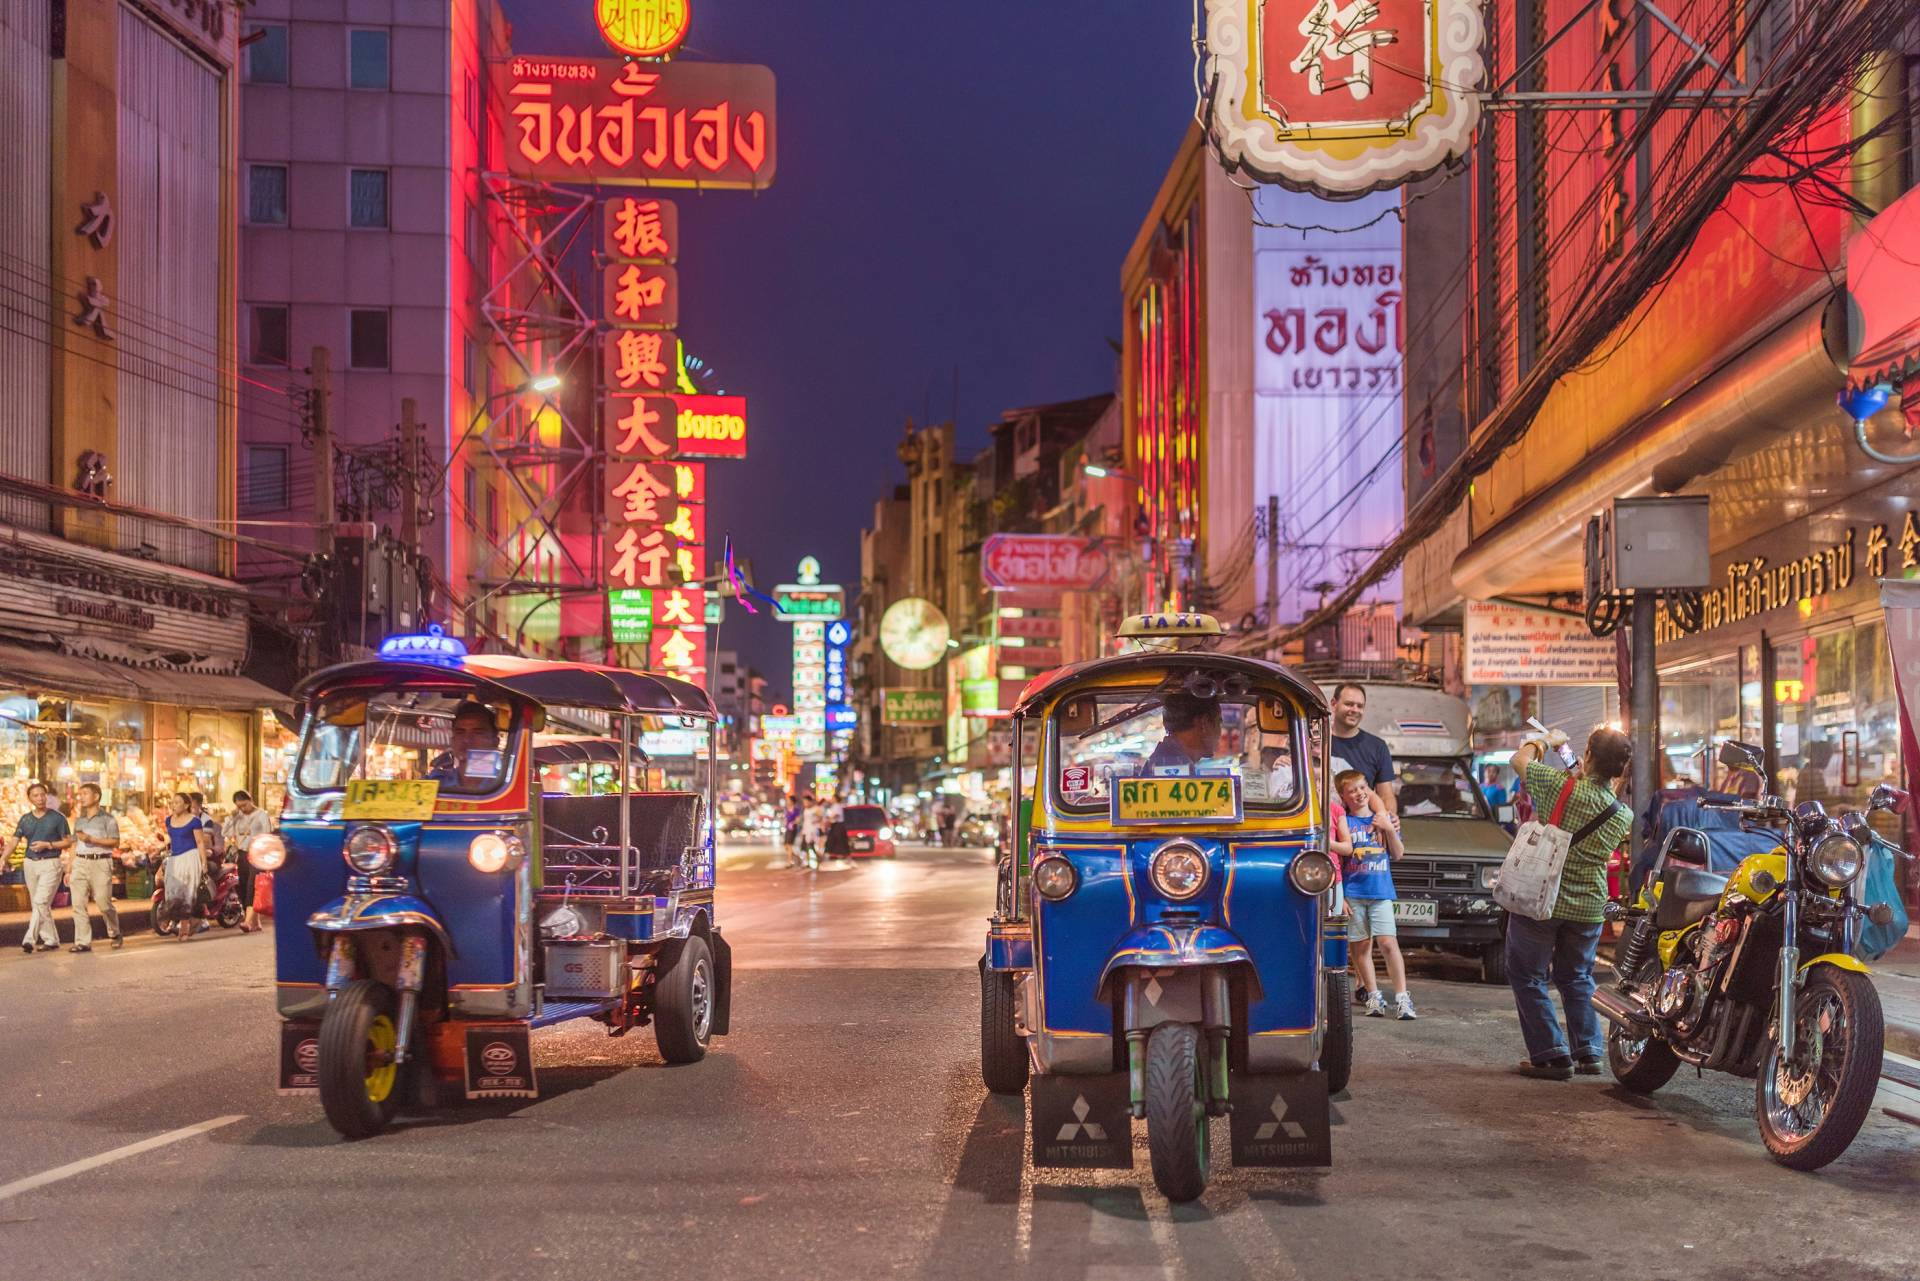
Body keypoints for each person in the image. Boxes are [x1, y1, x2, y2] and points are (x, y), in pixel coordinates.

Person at [1506, 727, 1633, 1080]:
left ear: (1588, 755)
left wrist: (1544, 740)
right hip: (1589, 905)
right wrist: (1571, 756)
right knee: (1576, 976)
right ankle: (1589, 1052)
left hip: (1542, 896)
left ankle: (1550, 1054)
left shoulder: (1556, 786)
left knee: (1527, 975)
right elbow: (1588, 783)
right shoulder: (1622, 813)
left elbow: (1519, 759)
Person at [1331, 769, 1413, 1019]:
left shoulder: (1382, 820)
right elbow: (1340, 862)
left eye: (1362, 787)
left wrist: (1388, 828)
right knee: (1361, 946)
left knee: (1388, 943)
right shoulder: (1346, 822)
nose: (1358, 793)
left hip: (1380, 892)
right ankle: (1373, 995)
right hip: (1354, 893)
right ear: (1343, 796)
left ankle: (1402, 997)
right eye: (1352, 790)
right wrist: (1341, 896)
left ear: (1369, 789)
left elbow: (1398, 854)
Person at [12, 782, 70, 954]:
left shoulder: (58, 818)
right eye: (35, 795)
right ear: (30, 798)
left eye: (42, 794)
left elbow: (67, 841)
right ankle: (51, 939)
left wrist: (48, 845)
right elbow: (14, 841)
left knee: (41, 901)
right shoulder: (25, 819)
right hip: (30, 863)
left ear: (47, 796)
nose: (40, 798)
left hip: (51, 863)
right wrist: (3, 858)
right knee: (38, 904)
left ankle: (29, 938)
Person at [1328, 684, 1398, 822]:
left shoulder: (1377, 746)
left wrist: (1388, 818)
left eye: (1360, 706)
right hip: (1324, 829)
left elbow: (1386, 795)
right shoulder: (1316, 742)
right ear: (1333, 704)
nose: (1355, 710)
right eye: (1349, 704)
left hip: (1361, 832)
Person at [67, 782, 123, 952]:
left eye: (85, 793)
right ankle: (82, 941)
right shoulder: (80, 820)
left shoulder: (108, 819)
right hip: (80, 862)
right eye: (80, 794)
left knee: (103, 902)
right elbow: (74, 844)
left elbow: (115, 841)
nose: (81, 797)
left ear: (96, 796)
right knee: (78, 903)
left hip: (100, 862)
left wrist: (92, 840)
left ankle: (114, 932)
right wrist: (69, 866)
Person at [162, 792, 210, 942]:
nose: (174, 805)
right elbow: (170, 839)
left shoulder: (194, 821)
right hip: (174, 859)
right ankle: (181, 921)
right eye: (172, 802)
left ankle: (184, 928)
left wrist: (204, 864)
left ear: (186, 805)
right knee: (172, 892)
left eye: (177, 802)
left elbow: (200, 842)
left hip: (190, 858)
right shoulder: (168, 820)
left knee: (187, 893)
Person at [429, 701, 507, 792]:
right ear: (452, 741)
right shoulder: (435, 783)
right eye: (460, 732)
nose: (467, 739)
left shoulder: (506, 786)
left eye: (478, 733)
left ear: (495, 742)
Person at [224, 789, 273, 934]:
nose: (243, 809)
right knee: (243, 885)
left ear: (251, 800)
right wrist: (231, 818)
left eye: (244, 805)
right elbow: (225, 833)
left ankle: (247, 921)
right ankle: (255, 921)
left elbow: (267, 833)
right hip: (242, 853)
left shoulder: (261, 815)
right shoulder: (237, 817)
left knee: (253, 885)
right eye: (239, 807)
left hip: (257, 853)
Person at [1144, 691, 1224, 773]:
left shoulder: (1166, 759)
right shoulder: (1175, 768)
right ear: (1204, 723)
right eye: (1219, 723)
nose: (1221, 732)